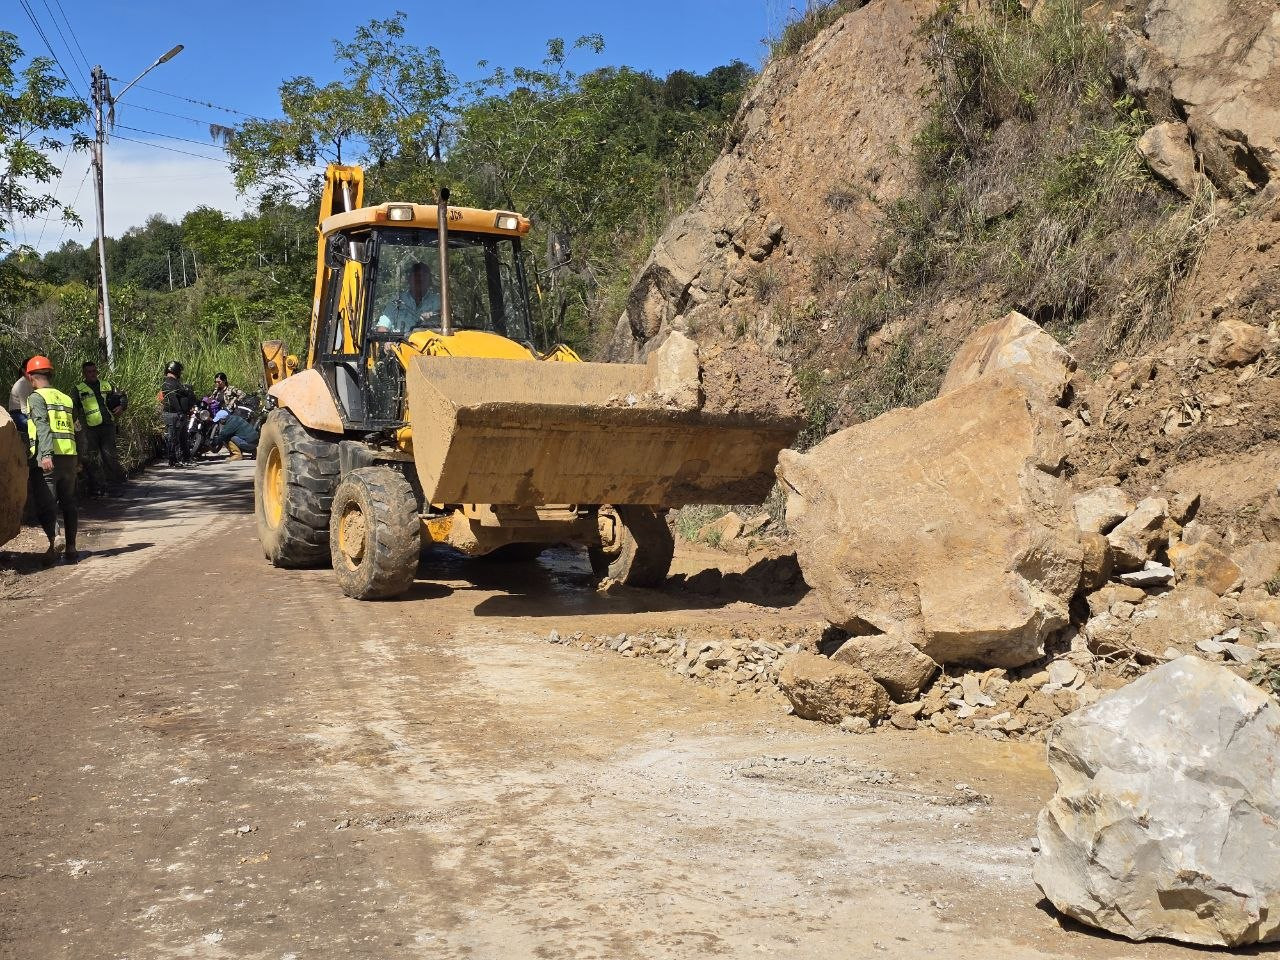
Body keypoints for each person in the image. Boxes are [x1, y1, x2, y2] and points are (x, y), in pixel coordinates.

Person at [24, 356, 79, 564]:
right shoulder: (65, 398)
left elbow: (42, 426)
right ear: (50, 374)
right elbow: (77, 428)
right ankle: (71, 549)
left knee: (46, 503)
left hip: (50, 459)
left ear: (31, 377)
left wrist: (45, 454)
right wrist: (80, 457)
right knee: (69, 504)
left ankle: (55, 540)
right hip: (70, 457)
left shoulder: (36, 398)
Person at [74, 360, 126, 497]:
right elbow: (72, 407)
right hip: (89, 429)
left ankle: (114, 487)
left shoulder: (107, 385)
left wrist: (121, 406)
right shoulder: (78, 389)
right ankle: (95, 488)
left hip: (107, 426)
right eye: (89, 372)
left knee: (110, 457)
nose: (92, 374)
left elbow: (122, 396)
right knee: (91, 459)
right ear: (84, 373)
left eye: (94, 371)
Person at [375, 261, 441, 335]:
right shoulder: (397, 300)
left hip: (432, 344)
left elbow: (448, 324)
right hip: (400, 344)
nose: (419, 280)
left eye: (423, 277)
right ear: (409, 280)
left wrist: (434, 316)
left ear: (429, 281)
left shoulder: (438, 302)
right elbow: (383, 326)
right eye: (416, 277)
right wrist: (388, 341)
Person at [157, 361, 195, 466]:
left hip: (180, 414)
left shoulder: (175, 382)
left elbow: (182, 395)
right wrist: (179, 411)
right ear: (176, 370)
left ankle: (186, 459)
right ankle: (173, 460)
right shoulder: (168, 383)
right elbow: (172, 397)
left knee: (183, 438)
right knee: (173, 438)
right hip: (173, 414)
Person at [8, 357, 34, 433]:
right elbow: (24, 409)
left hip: (27, 413)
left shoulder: (31, 382)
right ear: (23, 370)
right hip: (18, 415)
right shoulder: (22, 384)